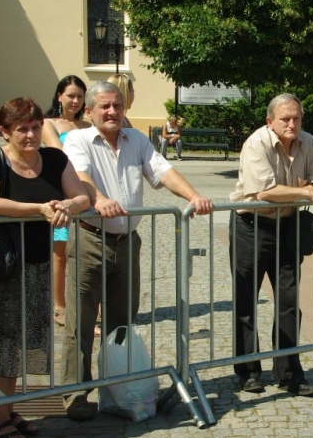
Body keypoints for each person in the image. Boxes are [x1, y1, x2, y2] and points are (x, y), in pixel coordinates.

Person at [59, 82, 213, 420]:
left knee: (122, 323)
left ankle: (117, 391)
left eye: (117, 105)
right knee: (81, 322)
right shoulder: (78, 140)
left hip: (128, 242)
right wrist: (98, 200)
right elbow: (81, 175)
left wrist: (193, 196)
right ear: (89, 111)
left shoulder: (137, 140)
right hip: (89, 238)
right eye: (104, 106)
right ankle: (75, 394)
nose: (112, 112)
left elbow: (163, 171)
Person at [0, 98, 90, 438]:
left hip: (37, 265)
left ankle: (8, 407)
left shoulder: (55, 159)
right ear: (5, 131)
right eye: (22, 128)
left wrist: (64, 205)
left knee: (19, 341)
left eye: (35, 126)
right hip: (0, 267)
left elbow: (82, 198)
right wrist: (38, 208)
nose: (31, 134)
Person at [230, 94, 313, 396]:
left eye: (296, 118)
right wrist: (306, 192)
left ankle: (289, 374)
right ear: (269, 121)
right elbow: (264, 191)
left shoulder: (309, 143)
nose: (291, 124)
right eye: (285, 118)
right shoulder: (256, 143)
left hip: (288, 227)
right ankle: (248, 371)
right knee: (246, 302)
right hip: (251, 227)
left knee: (289, 303)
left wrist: (300, 192)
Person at [41, 75, 90, 327]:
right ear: (59, 95)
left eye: (80, 96)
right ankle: (59, 305)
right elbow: (58, 154)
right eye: (71, 95)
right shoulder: (49, 123)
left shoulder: (87, 125)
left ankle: (92, 304)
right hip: (61, 189)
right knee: (60, 251)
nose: (75, 100)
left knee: (88, 251)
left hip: (88, 191)